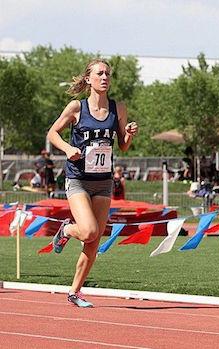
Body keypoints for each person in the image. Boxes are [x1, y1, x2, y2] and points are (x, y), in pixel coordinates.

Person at [47, 59, 138, 308]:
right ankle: (66, 230)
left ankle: (75, 292)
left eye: (108, 73)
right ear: (88, 79)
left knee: (93, 241)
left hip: (103, 181)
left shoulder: (118, 107)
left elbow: (123, 145)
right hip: (78, 179)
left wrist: (128, 134)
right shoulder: (77, 107)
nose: (105, 77)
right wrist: (67, 148)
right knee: (87, 231)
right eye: (100, 73)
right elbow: (52, 133)